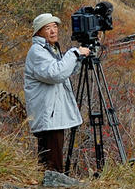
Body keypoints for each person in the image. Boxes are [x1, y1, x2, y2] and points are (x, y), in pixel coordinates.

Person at [23, 12, 91, 172]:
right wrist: (74, 53)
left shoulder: (49, 49)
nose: (53, 31)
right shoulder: (37, 52)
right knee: (52, 161)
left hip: (52, 113)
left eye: (55, 27)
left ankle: (52, 183)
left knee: (51, 157)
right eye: (48, 28)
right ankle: (54, 186)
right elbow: (55, 74)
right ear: (38, 32)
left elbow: (64, 71)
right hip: (48, 114)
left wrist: (78, 60)